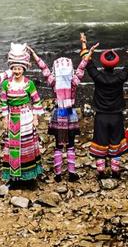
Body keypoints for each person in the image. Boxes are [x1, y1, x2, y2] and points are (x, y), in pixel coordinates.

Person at [28, 41, 96, 181]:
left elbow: (43, 68)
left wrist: (34, 55)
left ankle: (58, 174)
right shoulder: (73, 82)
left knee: (58, 145)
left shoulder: (54, 82)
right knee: (70, 144)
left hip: (59, 113)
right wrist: (89, 53)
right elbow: (82, 67)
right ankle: (71, 173)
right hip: (70, 113)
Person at [80, 31, 128, 177]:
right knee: (116, 141)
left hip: (101, 116)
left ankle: (101, 169)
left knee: (100, 140)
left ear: (103, 63)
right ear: (115, 64)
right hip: (116, 115)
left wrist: (84, 44)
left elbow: (87, 62)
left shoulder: (98, 76)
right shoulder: (120, 78)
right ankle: (115, 170)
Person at [0, 44, 44, 186]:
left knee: (27, 145)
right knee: (13, 147)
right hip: (13, 117)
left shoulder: (29, 84)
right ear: (11, 68)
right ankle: (14, 177)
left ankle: (29, 177)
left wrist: (35, 118)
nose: (17, 71)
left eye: (19, 68)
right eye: (14, 68)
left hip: (26, 117)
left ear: (24, 69)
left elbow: (36, 101)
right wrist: (5, 119)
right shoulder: (6, 84)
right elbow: (4, 103)